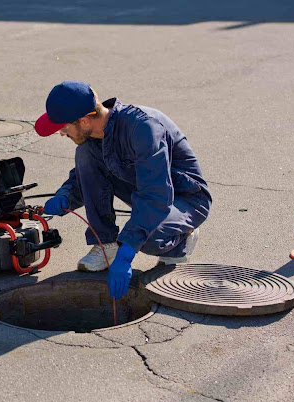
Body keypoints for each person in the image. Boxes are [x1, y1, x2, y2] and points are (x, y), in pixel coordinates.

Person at [35, 81, 212, 300]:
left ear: (84, 120)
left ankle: (181, 238)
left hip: (186, 198)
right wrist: (65, 196)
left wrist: (127, 251)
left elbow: (156, 195)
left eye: (63, 127)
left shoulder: (144, 128)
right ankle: (106, 245)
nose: (61, 133)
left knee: (145, 237)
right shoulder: (95, 134)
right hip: (146, 189)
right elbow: (87, 179)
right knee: (85, 154)